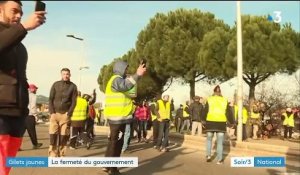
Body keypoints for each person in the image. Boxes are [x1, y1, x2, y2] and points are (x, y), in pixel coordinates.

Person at [0, 1, 46, 174]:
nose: (19, 15)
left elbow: (22, 78)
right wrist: (24, 26)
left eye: (21, 12)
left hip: (17, 114)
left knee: (5, 168)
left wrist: (24, 108)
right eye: (14, 11)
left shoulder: (21, 48)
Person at [103, 60, 146, 175]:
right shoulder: (116, 79)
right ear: (120, 68)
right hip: (117, 118)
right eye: (126, 69)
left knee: (113, 142)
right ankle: (113, 169)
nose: (127, 71)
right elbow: (126, 85)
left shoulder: (116, 80)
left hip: (119, 117)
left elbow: (127, 88)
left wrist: (138, 76)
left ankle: (108, 166)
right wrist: (137, 74)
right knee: (116, 143)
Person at [48, 68, 77, 157]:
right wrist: (52, 112)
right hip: (55, 114)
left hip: (65, 115)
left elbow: (74, 101)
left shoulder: (73, 86)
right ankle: (52, 154)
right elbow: (50, 99)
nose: (66, 75)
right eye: (64, 74)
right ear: (61, 74)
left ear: (70, 75)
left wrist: (69, 113)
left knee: (64, 136)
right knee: (53, 135)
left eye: (67, 74)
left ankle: (62, 154)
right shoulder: (55, 84)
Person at [202, 85, 234, 164]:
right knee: (220, 142)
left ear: (214, 92)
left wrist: (203, 120)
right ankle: (219, 160)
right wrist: (232, 122)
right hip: (221, 122)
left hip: (210, 122)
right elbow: (229, 112)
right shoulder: (224, 100)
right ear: (220, 92)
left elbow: (205, 110)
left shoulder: (209, 99)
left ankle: (208, 156)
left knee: (209, 139)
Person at [25, 84, 43, 149]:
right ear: (32, 89)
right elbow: (33, 106)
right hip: (30, 115)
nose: (36, 90)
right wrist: (35, 115)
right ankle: (35, 144)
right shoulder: (33, 96)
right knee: (32, 131)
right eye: (35, 89)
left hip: (22, 116)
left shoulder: (24, 95)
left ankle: (16, 146)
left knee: (20, 132)